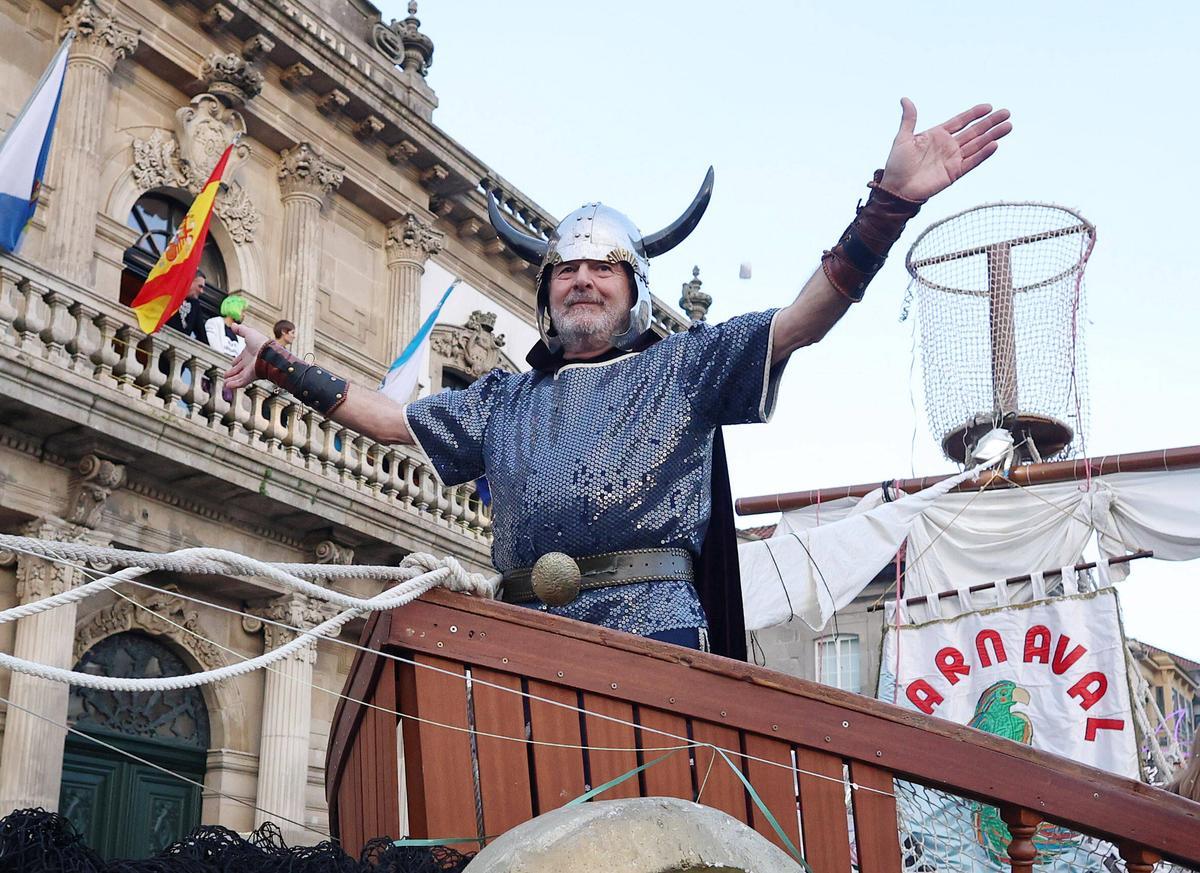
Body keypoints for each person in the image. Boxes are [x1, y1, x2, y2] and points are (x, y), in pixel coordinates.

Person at [226, 99, 1011, 658]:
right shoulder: (504, 399)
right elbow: (392, 419)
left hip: (656, 631)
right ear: (545, 294)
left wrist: (886, 210)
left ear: (634, 289)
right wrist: (276, 362)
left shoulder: (685, 364)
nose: (583, 281)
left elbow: (804, 318)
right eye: (566, 269)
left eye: (603, 268)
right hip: (525, 634)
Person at [164, 269, 206, 341]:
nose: (202, 291)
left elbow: (202, 335)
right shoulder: (170, 293)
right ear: (189, 281)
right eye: (200, 286)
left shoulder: (195, 305)